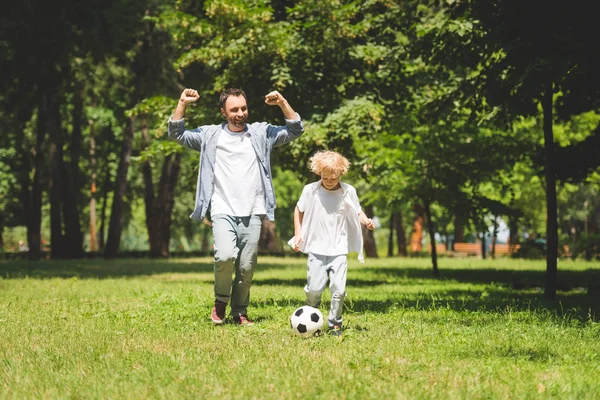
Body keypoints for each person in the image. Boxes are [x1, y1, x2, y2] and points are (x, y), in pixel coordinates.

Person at [168, 87, 304, 325]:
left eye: (243, 108)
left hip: (253, 210)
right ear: (223, 112)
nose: (240, 113)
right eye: (234, 110)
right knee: (224, 255)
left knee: (246, 267)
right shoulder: (210, 136)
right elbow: (177, 133)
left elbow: (295, 129)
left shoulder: (261, 133)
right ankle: (221, 300)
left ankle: (239, 311)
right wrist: (182, 103)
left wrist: (282, 102)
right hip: (222, 209)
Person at [288, 150, 375, 336]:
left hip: (338, 249)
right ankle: (312, 314)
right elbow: (298, 209)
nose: (329, 181)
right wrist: (298, 233)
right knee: (314, 289)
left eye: (333, 178)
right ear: (318, 172)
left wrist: (366, 221)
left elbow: (358, 212)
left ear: (341, 174)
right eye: (325, 177)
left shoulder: (348, 191)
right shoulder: (310, 190)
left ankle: (335, 323)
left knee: (339, 289)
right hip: (316, 249)